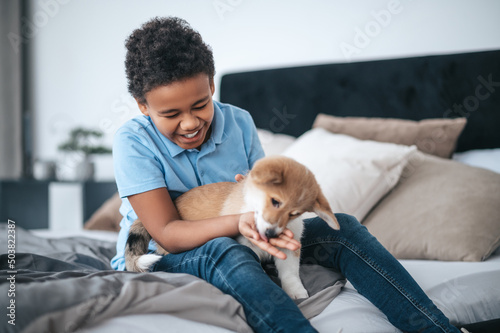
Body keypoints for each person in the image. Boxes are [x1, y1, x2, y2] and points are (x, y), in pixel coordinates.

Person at [111, 16, 460, 333]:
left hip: (251, 238)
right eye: (171, 113)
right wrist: (241, 221)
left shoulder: (239, 122)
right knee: (224, 249)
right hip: (171, 251)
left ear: (212, 85)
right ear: (143, 106)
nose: (190, 123)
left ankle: (436, 330)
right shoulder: (133, 142)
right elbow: (168, 234)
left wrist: (257, 206)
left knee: (345, 228)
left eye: (200, 105)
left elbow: (262, 189)